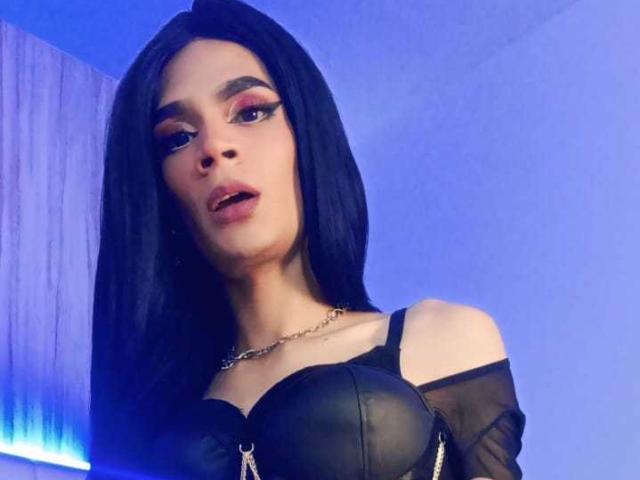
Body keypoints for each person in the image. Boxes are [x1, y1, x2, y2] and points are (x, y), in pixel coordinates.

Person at [88, 0, 526, 479]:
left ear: (306, 133)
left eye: (250, 112)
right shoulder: (154, 410)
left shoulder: (440, 339)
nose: (213, 147)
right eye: (178, 138)